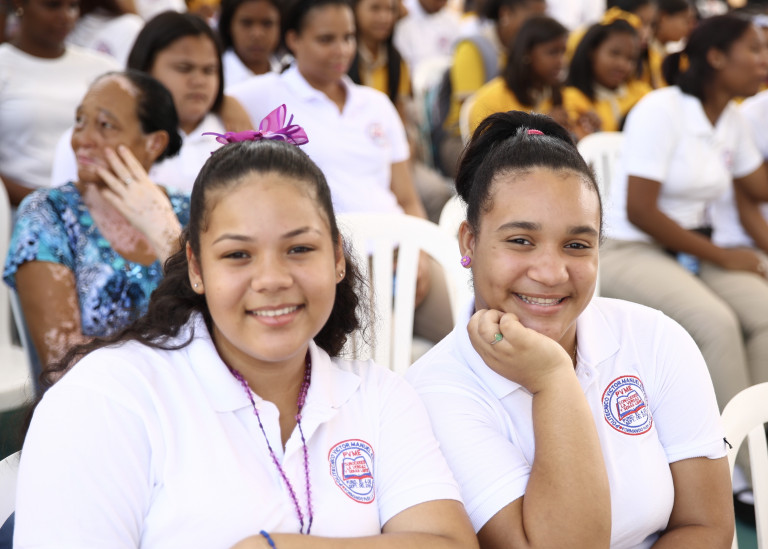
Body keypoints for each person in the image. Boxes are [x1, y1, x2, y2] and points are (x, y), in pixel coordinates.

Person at [12, 115, 479, 549]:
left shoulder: (379, 396)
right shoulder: (109, 398)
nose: (272, 279)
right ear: (197, 268)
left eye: (299, 249)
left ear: (337, 258)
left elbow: (449, 543)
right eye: (238, 255)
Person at [405, 110, 733, 548]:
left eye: (576, 245)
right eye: (521, 241)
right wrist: (554, 379)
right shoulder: (432, 393)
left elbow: (707, 526)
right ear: (469, 241)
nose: (551, 272)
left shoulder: (655, 339)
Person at [600, 17, 768, 518]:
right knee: (716, 323)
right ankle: (736, 469)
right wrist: (725, 257)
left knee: (763, 311)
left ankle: (762, 448)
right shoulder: (661, 109)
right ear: (716, 57)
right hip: (630, 248)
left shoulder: (730, 118)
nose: (765, 60)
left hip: (691, 250)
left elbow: (757, 188)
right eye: (754, 49)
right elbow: (640, 210)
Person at [229, 0, 453, 344]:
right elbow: (216, 103)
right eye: (326, 39)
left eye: (348, 37)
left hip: (399, 253)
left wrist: (419, 254)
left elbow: (407, 197)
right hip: (333, 263)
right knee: (368, 352)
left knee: (467, 331)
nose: (341, 49)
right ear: (293, 39)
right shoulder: (261, 95)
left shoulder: (375, 103)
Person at [3, 70, 189, 369]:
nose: (82, 139)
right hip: (98, 394)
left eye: (105, 125)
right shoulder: (49, 213)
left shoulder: (188, 209)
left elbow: (217, 326)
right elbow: (62, 361)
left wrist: (166, 234)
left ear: (154, 143)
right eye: (80, 121)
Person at [51, 10, 253, 194]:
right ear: (146, 68)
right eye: (184, 68)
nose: (199, 81)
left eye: (209, 70)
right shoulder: (90, 141)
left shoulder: (235, 130)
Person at [0, 0, 120, 205]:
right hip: (14, 209)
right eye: (52, 5)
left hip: (95, 207)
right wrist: (45, 202)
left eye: (72, 6)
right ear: (20, 4)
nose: (66, 16)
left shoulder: (103, 68)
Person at [468, 15, 569, 133]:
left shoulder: (564, 96)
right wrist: (541, 126)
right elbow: (489, 144)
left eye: (563, 52)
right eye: (553, 52)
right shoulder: (491, 100)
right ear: (526, 53)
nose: (561, 62)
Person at [563, 17, 651, 139]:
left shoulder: (643, 94)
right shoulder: (572, 98)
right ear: (592, 51)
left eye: (631, 59)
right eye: (614, 53)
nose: (623, 65)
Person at [218, 0, 283, 88]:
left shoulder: (289, 75)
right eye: (247, 23)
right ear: (228, 26)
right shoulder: (216, 78)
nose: (257, 34)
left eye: (267, 23)